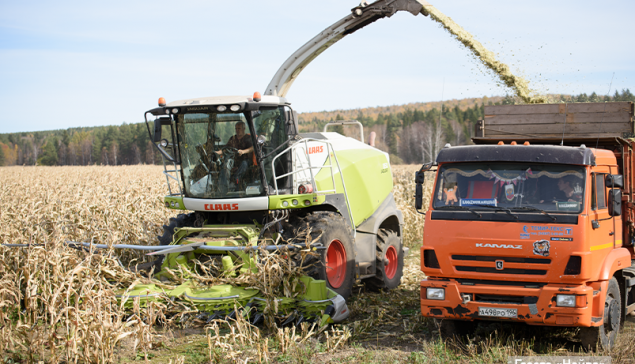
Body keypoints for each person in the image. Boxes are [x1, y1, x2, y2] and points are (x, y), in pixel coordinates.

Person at [216, 121, 254, 191]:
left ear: (244, 129)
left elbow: (252, 148)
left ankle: (235, 180)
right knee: (226, 163)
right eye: (236, 128)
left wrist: (243, 151)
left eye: (239, 128)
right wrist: (217, 153)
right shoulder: (232, 138)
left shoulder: (248, 138)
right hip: (234, 160)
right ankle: (223, 185)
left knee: (244, 164)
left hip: (246, 160)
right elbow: (225, 149)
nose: (237, 130)